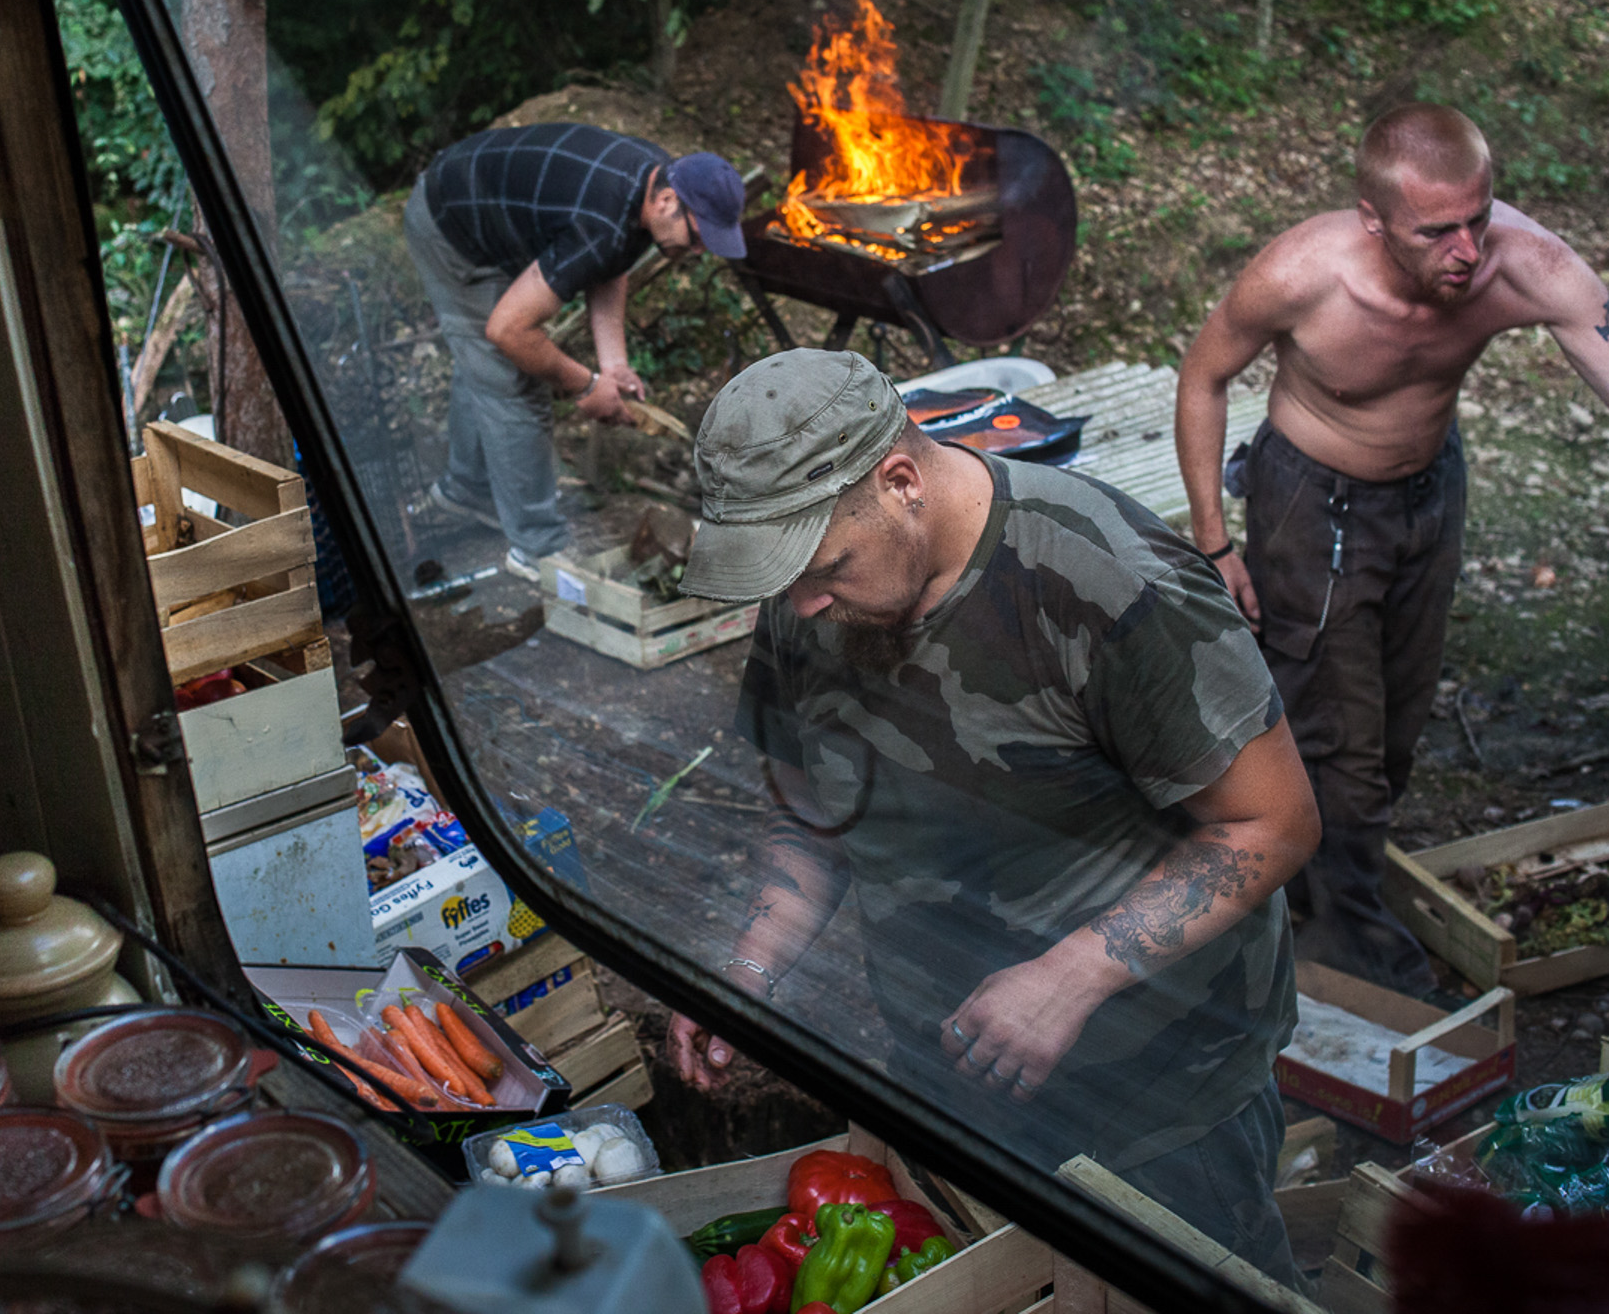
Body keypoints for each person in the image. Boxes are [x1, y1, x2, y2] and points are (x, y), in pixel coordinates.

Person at [664, 349, 1321, 1282]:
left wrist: (1070, 974)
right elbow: (812, 811)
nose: (802, 603)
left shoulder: (1103, 579)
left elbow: (1274, 823)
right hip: (943, 1070)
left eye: (823, 570)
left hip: (1157, 1094)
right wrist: (747, 967)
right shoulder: (810, 597)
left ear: (899, 483)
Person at [1174, 103, 1609, 995]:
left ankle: (1315, 862)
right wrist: (1214, 540)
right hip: (1311, 498)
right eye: (1436, 231)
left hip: (1429, 490)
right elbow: (1203, 376)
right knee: (1339, 729)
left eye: (1477, 218)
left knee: (1399, 722)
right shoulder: (1302, 274)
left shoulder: (1530, 267)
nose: (1465, 250)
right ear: (1374, 220)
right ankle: (1351, 941)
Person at [404, 122, 748, 578]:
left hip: (498, 216)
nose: (701, 251)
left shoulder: (653, 182)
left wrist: (614, 364)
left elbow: (610, 264)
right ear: (668, 203)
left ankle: (462, 492)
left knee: (484, 367)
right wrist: (585, 387)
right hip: (451, 224)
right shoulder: (602, 219)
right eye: (700, 237)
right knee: (511, 380)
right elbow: (508, 332)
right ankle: (539, 550)